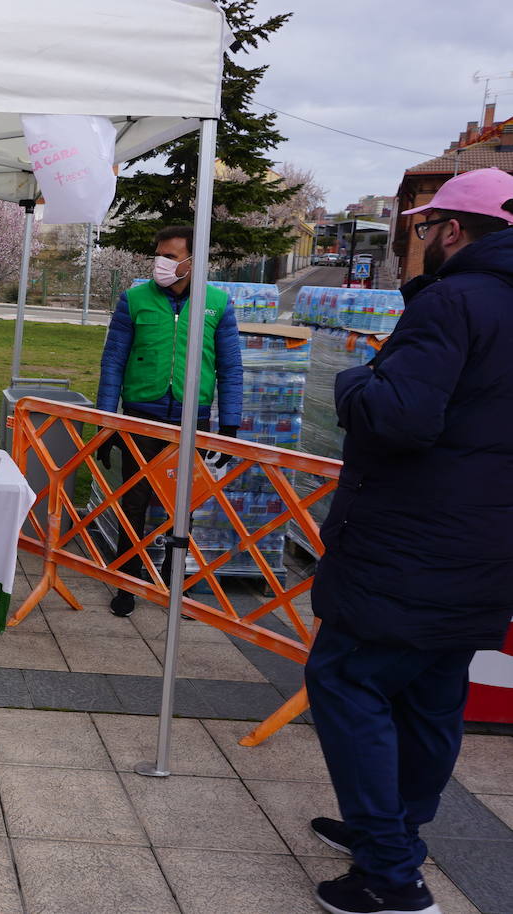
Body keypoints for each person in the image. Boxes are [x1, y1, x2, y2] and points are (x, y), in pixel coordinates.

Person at [303, 168, 513, 914]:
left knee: (345, 679)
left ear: (450, 230)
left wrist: (355, 380)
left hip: (411, 549)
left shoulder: (453, 301)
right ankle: (390, 832)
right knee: (429, 698)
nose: (415, 240)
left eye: (423, 228)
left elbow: (398, 418)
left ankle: (390, 873)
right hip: (484, 549)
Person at [94, 225, 242, 617]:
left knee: (181, 506)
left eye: (172, 256)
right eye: (159, 255)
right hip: (141, 418)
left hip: (192, 421)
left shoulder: (217, 304)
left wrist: (229, 425)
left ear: (193, 262)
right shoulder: (134, 300)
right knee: (134, 502)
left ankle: (173, 579)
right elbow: (113, 362)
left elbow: (230, 368)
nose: (162, 263)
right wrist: (105, 422)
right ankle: (128, 578)